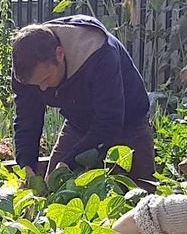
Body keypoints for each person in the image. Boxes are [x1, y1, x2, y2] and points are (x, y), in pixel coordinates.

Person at [12, 16, 155, 184]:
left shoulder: (99, 54)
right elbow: (27, 120)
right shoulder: (27, 70)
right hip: (78, 125)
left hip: (130, 124)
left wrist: (69, 163)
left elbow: (109, 122)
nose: (42, 89)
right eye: (36, 85)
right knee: (53, 188)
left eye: (46, 79)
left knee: (141, 193)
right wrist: (27, 165)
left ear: (60, 54)